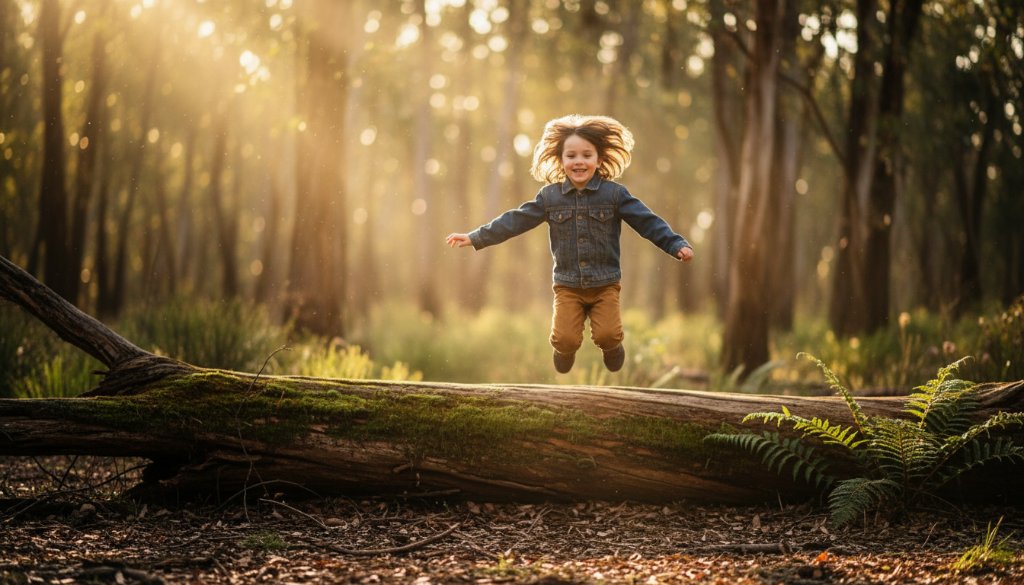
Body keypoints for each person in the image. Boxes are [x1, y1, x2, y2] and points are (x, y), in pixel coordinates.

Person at [445, 114, 694, 374]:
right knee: (565, 339)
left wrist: (675, 244)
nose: (579, 161)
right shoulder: (549, 197)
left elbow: (647, 222)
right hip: (567, 285)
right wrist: (475, 237)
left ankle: (613, 348)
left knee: (607, 334)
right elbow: (514, 221)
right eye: (571, 155)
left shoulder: (614, 195)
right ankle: (564, 351)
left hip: (605, 284)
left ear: (599, 160)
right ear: (561, 160)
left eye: (587, 155)